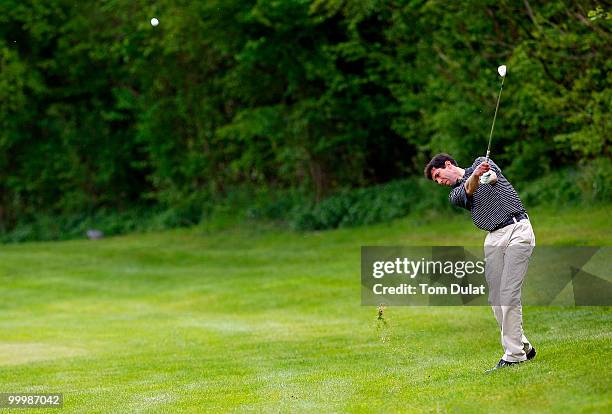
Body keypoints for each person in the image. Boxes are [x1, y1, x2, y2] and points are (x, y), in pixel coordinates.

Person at [424, 153, 537, 371]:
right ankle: (523, 345)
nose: (439, 181)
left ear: (448, 164)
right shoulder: (455, 194)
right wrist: (476, 176)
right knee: (496, 299)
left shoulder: (480, 162)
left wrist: (486, 175)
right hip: (493, 237)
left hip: (518, 229)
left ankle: (514, 355)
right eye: (436, 180)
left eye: (438, 175)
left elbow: (494, 177)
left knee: (509, 293)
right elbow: (469, 189)